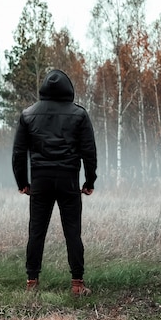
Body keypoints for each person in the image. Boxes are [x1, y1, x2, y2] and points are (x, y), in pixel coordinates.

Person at [12, 69, 97, 296]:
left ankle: (32, 283)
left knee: (36, 232)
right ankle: (77, 284)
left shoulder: (28, 114)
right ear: (68, 88)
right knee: (72, 232)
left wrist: (22, 181)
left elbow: (19, 152)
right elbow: (89, 151)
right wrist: (89, 180)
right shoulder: (79, 114)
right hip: (68, 180)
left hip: (40, 180)